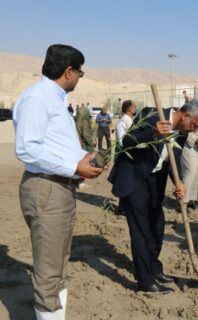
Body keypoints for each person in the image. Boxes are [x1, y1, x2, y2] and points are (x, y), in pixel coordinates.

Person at [13, 44, 105, 320]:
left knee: (58, 263)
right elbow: (27, 148)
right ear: (68, 71)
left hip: (59, 187)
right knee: (49, 270)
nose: (79, 77)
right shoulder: (38, 98)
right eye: (80, 72)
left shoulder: (54, 99)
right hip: (47, 188)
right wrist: (73, 166)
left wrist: (84, 159)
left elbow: (54, 145)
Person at [108, 99, 198, 294]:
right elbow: (126, 141)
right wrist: (152, 133)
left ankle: (153, 268)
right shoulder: (152, 115)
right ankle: (145, 281)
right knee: (141, 231)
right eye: (194, 125)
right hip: (134, 178)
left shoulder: (181, 130)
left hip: (154, 180)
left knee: (157, 226)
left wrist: (178, 181)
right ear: (185, 115)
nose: (193, 130)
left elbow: (174, 158)